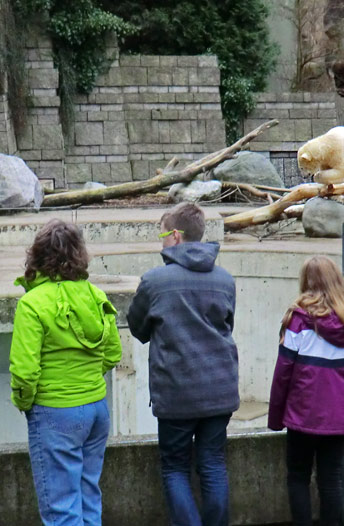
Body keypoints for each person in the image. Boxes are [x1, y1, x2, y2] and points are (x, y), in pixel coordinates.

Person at [127, 202, 239, 526]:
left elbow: (137, 327)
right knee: (213, 464)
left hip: (177, 393)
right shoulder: (225, 280)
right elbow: (227, 326)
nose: (161, 241)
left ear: (175, 235)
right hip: (219, 390)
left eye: (163, 234)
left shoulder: (154, 281)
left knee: (175, 467)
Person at [9, 219, 123, 526]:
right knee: (88, 497)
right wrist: (85, 379)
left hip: (54, 412)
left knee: (61, 509)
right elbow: (113, 353)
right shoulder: (96, 295)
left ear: (37, 254)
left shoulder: (32, 304)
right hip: (97, 409)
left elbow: (24, 372)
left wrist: (25, 402)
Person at [268, 256, 344, 526]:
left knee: (298, 477)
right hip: (338, 415)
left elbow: (283, 374)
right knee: (331, 479)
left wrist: (276, 417)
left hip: (302, 415)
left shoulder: (296, 320)